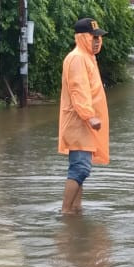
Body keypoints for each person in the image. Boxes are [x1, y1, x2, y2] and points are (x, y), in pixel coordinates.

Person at [58, 17, 110, 215]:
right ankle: (66, 212)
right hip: (80, 122)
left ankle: (75, 210)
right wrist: (89, 116)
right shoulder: (78, 58)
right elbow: (78, 90)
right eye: (93, 37)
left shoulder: (88, 57)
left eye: (99, 37)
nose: (97, 41)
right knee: (80, 168)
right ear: (82, 37)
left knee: (81, 169)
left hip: (85, 122)